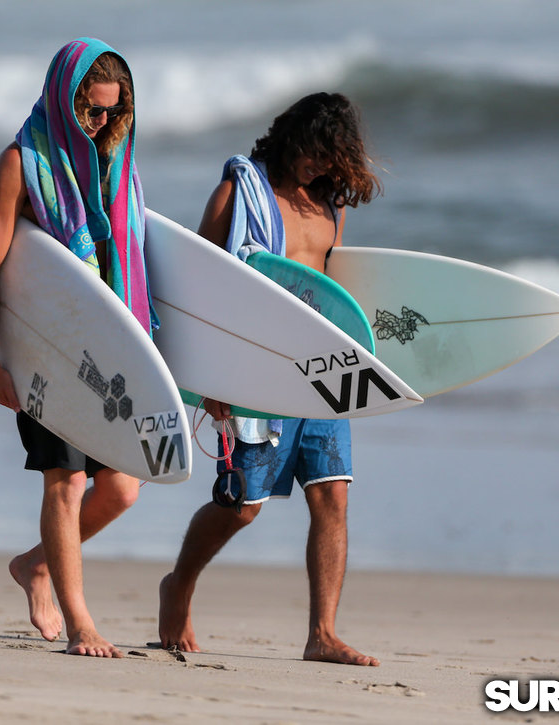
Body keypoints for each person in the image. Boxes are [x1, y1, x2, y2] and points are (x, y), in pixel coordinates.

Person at [158, 92, 382, 667]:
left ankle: (322, 634)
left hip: (319, 369)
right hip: (256, 367)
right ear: (288, 136)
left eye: (329, 156)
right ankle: (178, 585)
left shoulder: (333, 204)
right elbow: (198, 286)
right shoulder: (240, 192)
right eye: (311, 151)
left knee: (333, 494)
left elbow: (330, 290)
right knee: (243, 505)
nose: (317, 165)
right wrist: (212, 376)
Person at [0, 38, 153, 658]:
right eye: (91, 111)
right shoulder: (22, 163)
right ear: (62, 99)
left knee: (124, 487)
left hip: (106, 349)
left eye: (111, 112)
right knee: (66, 483)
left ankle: (36, 566)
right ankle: (81, 624)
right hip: (45, 345)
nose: (101, 123)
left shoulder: (115, 164)